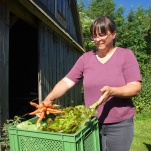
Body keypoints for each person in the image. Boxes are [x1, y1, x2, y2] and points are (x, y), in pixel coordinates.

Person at [41, 16, 142, 151]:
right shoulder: (86, 58)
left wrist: (113, 91)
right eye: (94, 36)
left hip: (120, 125)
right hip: (91, 123)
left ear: (113, 34)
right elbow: (67, 82)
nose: (97, 39)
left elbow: (135, 87)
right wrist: (49, 99)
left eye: (102, 34)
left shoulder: (126, 55)